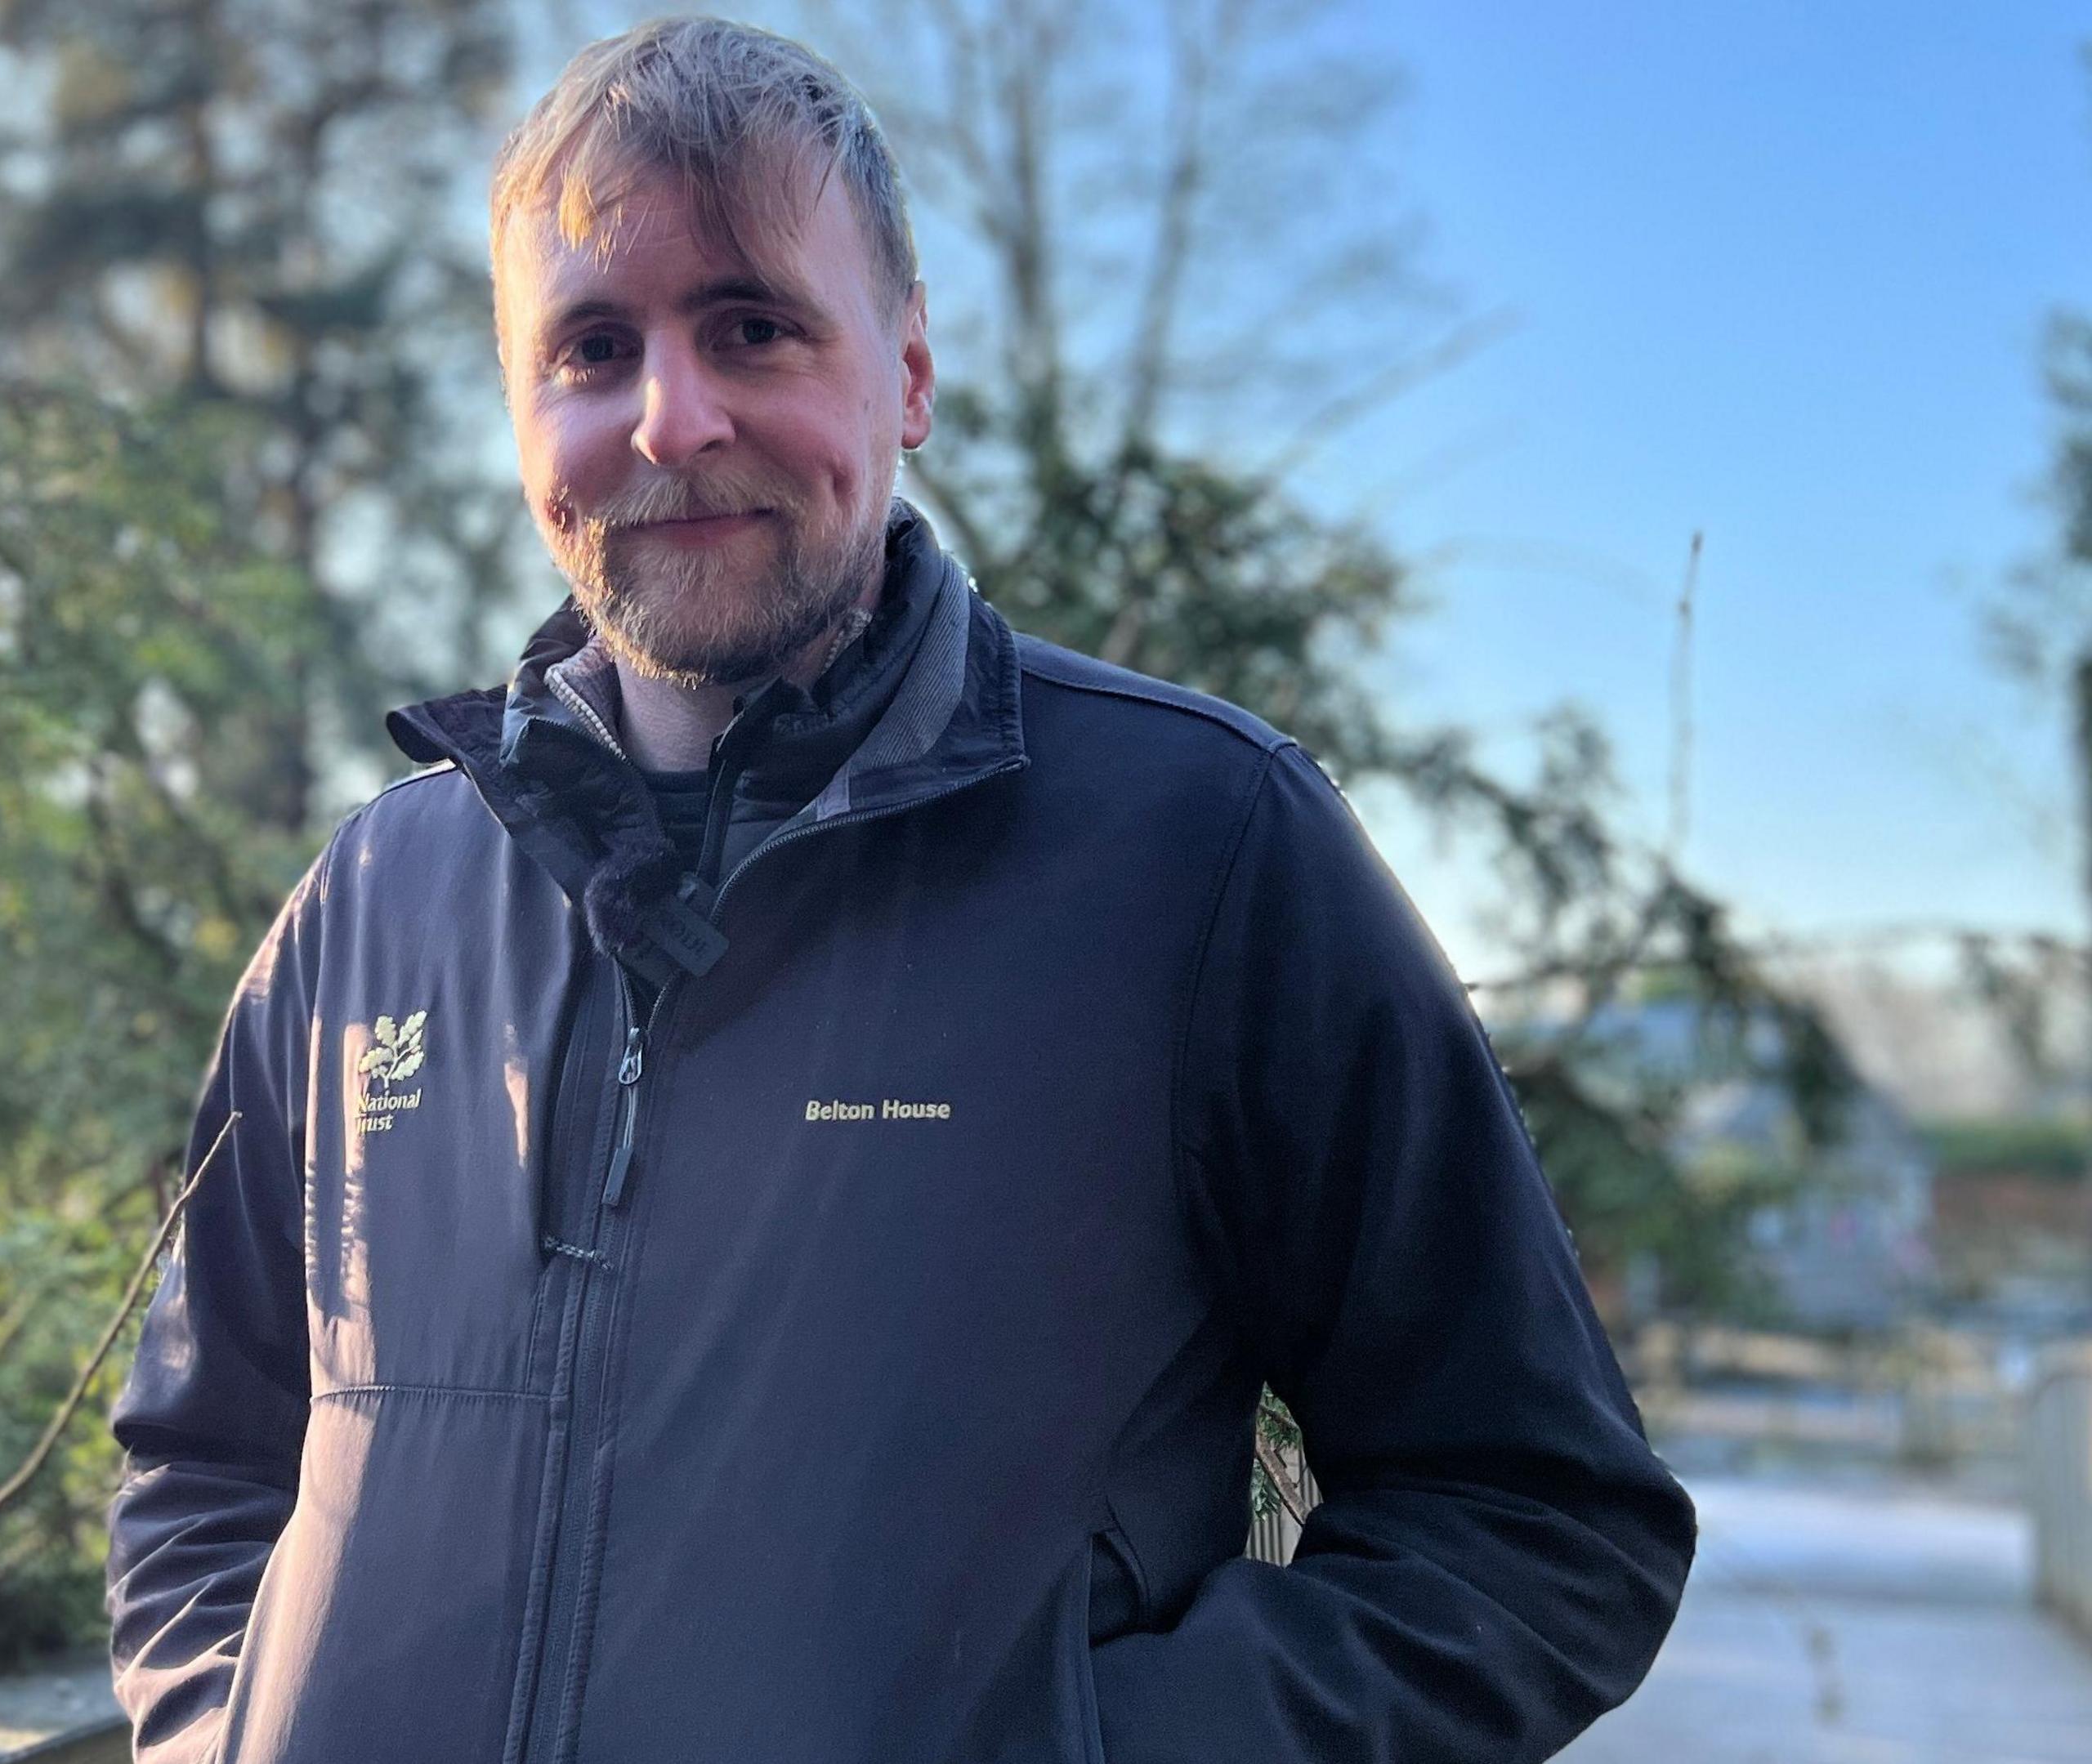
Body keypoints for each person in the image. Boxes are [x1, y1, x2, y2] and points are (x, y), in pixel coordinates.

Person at [100, 16, 1693, 1763]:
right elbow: (203, 1468)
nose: (670, 417)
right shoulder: (371, 901)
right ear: (523, 412)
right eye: (591, 348)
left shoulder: (1200, 850)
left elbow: (1539, 1520)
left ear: (910, 372)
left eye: (752, 326)